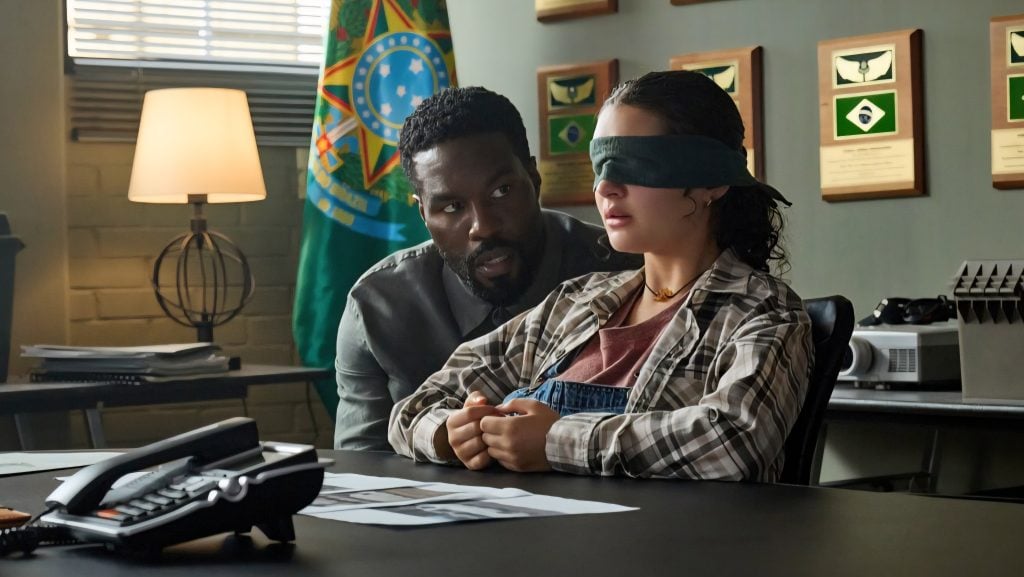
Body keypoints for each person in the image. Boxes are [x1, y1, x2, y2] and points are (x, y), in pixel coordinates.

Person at [388, 70, 813, 482]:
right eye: (601, 166)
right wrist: (449, 433)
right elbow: (414, 409)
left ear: (711, 181)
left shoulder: (762, 314)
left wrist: (555, 442)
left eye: (635, 164)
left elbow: (734, 442)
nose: (606, 188)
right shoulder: (573, 303)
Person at [334, 86, 640, 450]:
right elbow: (362, 462)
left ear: (534, 179)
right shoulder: (379, 305)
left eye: (501, 192)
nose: (483, 227)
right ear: (422, 213)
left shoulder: (625, 272)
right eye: (451, 207)